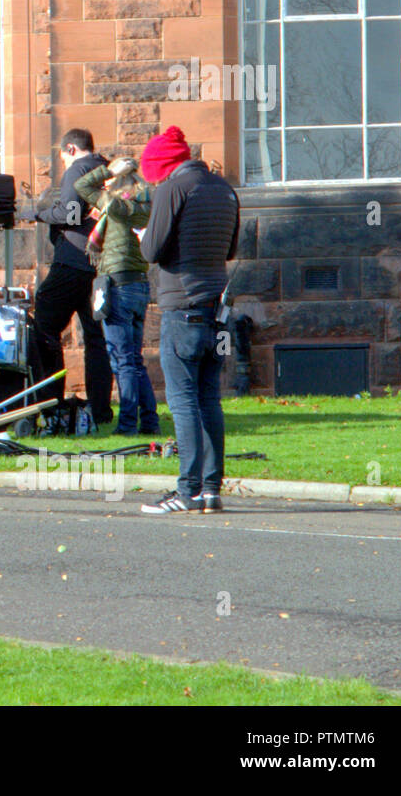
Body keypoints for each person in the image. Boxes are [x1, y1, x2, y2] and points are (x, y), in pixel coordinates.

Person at [137, 126, 240, 514]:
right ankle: (212, 489)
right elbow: (230, 248)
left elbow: (151, 250)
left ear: (164, 166)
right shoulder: (225, 190)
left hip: (182, 305)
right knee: (209, 398)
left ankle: (187, 491)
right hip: (218, 307)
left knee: (182, 401)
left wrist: (144, 233)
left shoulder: (172, 190)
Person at [19, 128, 114, 425]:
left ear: (71, 149)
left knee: (44, 327)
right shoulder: (107, 170)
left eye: (62, 157)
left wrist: (39, 213)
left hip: (73, 261)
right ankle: (100, 410)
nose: (63, 163)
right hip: (102, 266)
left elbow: (70, 215)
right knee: (97, 340)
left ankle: (50, 406)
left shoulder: (78, 170)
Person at [74, 156, 160, 437]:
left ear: (118, 182)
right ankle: (149, 422)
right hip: (139, 285)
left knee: (122, 361)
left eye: (112, 179)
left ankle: (126, 427)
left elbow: (82, 186)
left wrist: (107, 170)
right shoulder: (147, 205)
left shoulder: (116, 205)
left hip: (118, 285)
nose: (107, 182)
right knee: (134, 360)